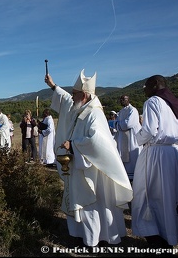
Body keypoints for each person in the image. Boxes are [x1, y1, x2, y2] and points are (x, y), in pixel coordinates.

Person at [44, 69, 133, 247]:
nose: (72, 96)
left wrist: (73, 145)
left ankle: (98, 238)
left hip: (93, 172)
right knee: (84, 204)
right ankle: (83, 235)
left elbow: (98, 141)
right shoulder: (81, 109)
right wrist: (53, 86)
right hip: (81, 165)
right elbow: (67, 101)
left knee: (93, 205)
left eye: (75, 93)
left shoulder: (94, 113)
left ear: (84, 95)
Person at [132, 74, 178, 248]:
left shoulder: (153, 102)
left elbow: (150, 130)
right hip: (175, 153)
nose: (144, 89)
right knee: (172, 195)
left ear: (154, 85)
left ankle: (157, 236)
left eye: (145, 86)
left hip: (157, 153)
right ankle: (172, 233)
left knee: (151, 195)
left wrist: (137, 138)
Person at [114, 95, 142, 181]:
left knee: (132, 157)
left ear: (128, 100)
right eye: (121, 99)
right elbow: (117, 123)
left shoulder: (133, 110)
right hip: (123, 139)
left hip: (131, 139)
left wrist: (118, 125)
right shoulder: (121, 111)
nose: (122, 101)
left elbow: (128, 124)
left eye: (124, 99)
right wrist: (118, 125)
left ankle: (135, 177)